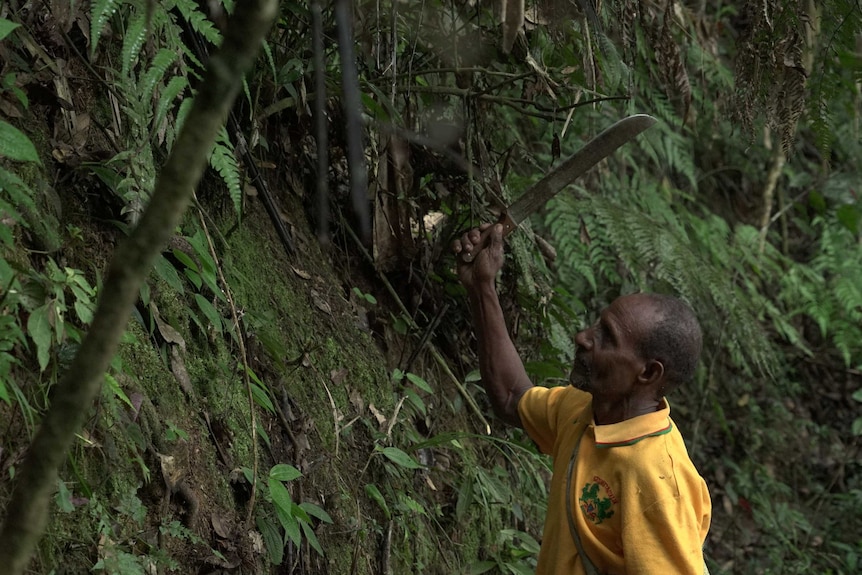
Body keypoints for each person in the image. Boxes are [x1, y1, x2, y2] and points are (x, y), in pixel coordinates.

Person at [453, 223, 712, 575]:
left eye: (606, 336)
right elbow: (512, 397)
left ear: (649, 374)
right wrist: (482, 286)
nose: (582, 337)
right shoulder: (581, 409)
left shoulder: (657, 479)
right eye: (596, 325)